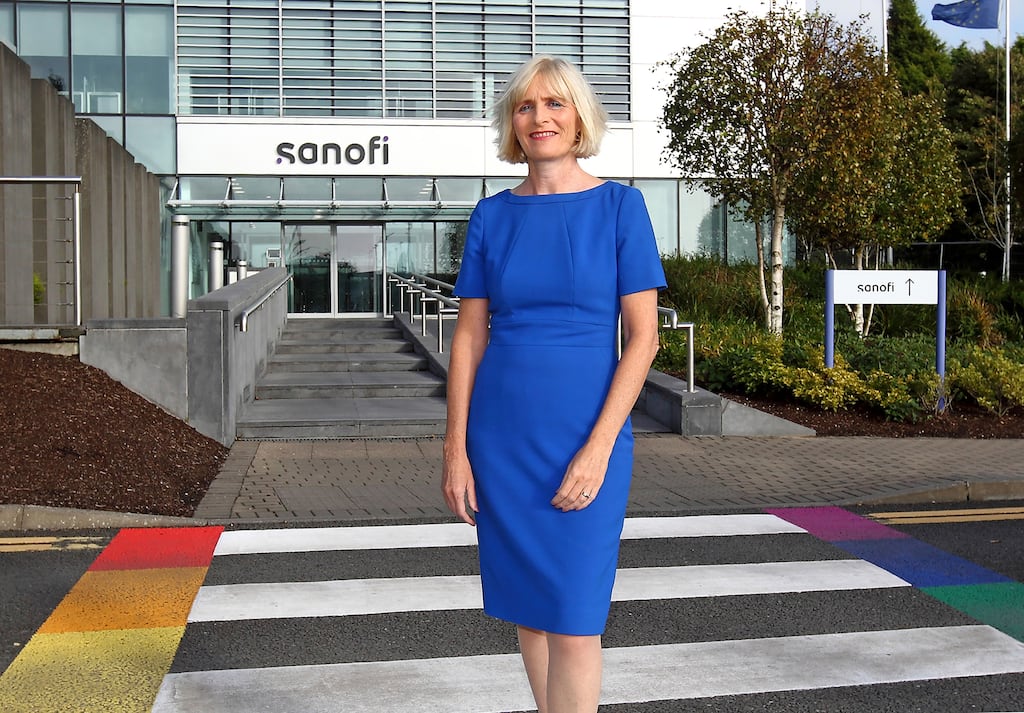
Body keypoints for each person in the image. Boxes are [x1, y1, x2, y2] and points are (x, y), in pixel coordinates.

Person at [442, 55, 666, 713]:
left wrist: (599, 448)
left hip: (586, 434)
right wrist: (455, 449)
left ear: (579, 117)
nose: (540, 117)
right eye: (526, 106)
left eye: (555, 103)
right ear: (512, 122)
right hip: (502, 440)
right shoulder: (491, 216)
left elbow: (644, 339)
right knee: (531, 610)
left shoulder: (621, 207)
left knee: (574, 618)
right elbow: (468, 339)